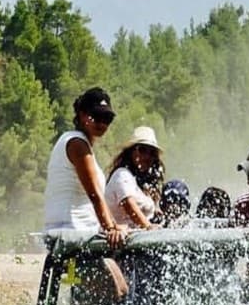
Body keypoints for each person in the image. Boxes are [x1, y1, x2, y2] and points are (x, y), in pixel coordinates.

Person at [44, 87, 124, 247]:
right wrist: (110, 228)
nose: (101, 123)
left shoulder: (74, 141)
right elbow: (94, 195)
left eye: (107, 118)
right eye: (96, 116)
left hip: (74, 231)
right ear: (82, 114)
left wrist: (115, 225)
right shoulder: (77, 144)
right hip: (73, 233)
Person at [104, 126, 165, 230]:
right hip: (120, 237)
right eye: (142, 150)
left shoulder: (141, 183)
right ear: (131, 152)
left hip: (136, 234)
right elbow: (129, 205)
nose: (147, 156)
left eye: (152, 153)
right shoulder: (122, 175)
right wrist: (148, 227)